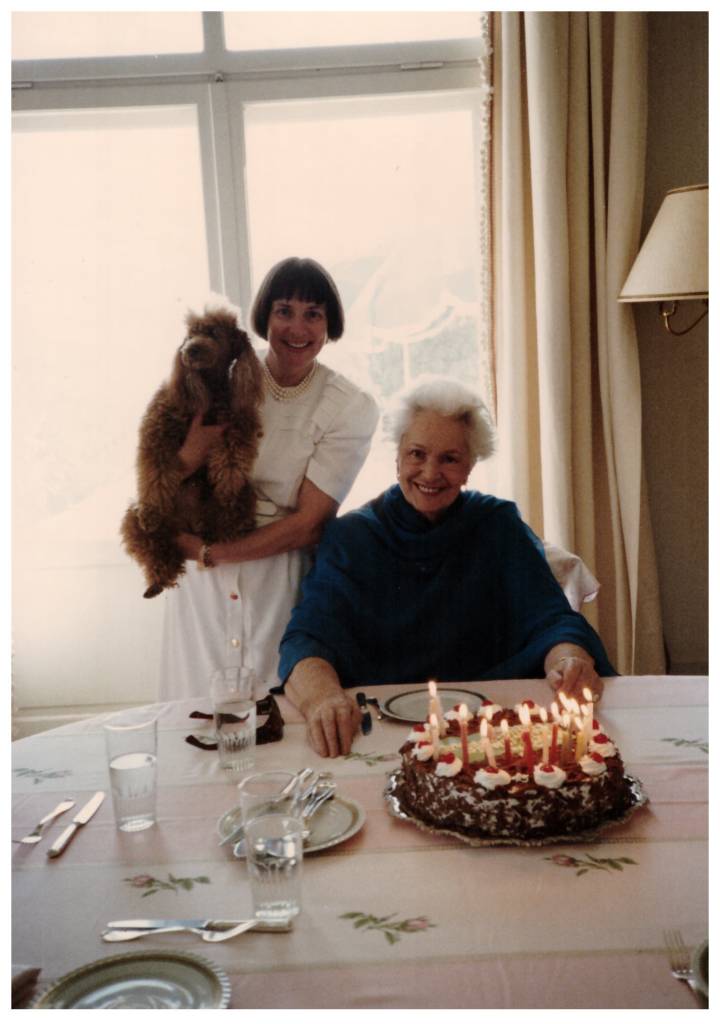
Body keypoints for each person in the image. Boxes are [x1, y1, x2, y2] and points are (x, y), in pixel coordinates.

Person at [278, 377, 616, 757]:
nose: (430, 472)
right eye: (417, 454)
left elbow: (553, 619)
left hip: (490, 729)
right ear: (398, 456)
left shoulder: (497, 524)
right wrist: (322, 700)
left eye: (450, 459)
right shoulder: (351, 536)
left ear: (470, 465)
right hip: (381, 733)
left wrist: (570, 661)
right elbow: (306, 638)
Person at [159, 257, 379, 700]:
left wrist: (211, 552)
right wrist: (192, 454)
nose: (297, 328)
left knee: (277, 707)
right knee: (197, 711)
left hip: (278, 576)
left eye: (312, 314)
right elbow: (162, 468)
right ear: (265, 316)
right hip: (202, 585)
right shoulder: (220, 376)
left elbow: (310, 523)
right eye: (284, 311)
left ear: (329, 324)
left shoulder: (350, 406)